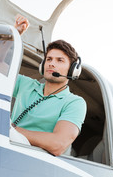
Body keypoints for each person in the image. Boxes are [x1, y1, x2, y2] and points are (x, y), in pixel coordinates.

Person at [10, 14, 87, 156]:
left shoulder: (74, 103)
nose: (51, 63)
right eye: (49, 59)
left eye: (60, 60)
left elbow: (58, 144)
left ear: (72, 70)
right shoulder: (25, 84)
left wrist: (11, 130)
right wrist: (13, 35)